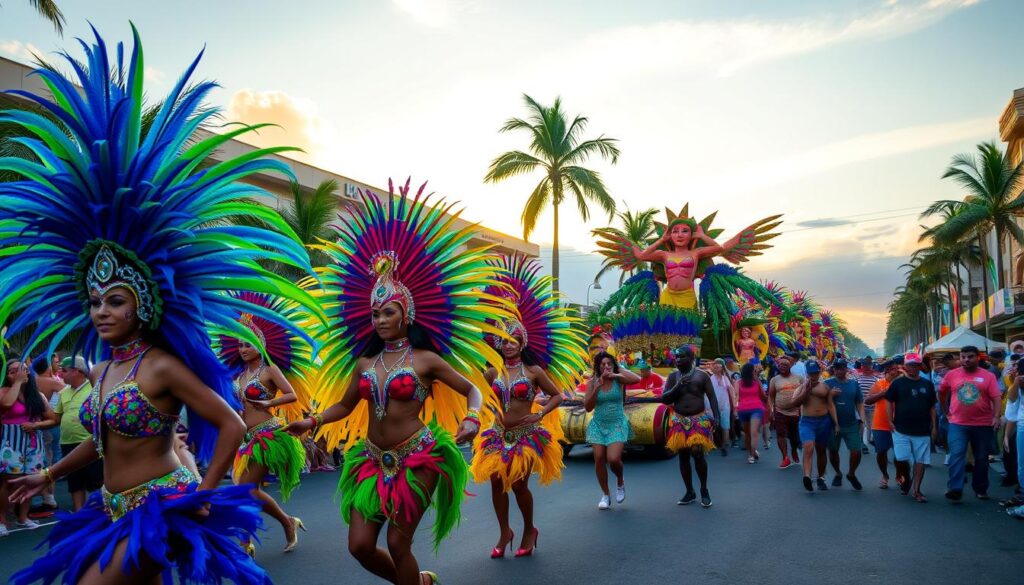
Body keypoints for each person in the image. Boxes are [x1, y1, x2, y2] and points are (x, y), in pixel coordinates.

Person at [3, 27, 308, 583]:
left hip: (164, 506)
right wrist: (47, 474)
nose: (101, 311)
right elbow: (100, 443)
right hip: (113, 511)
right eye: (94, 301)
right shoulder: (100, 370)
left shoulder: (160, 365)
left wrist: (205, 494)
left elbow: (232, 424)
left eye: (115, 301)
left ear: (141, 305)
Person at [284, 181, 499, 585]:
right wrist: (311, 422)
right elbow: (346, 407)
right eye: (375, 314)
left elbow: (472, 389)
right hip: (369, 459)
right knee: (359, 546)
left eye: (388, 312)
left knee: (401, 546)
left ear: (406, 314)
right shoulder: (365, 362)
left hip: (418, 458)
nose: (380, 320)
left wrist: (472, 418)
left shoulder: (426, 360)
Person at [470, 254, 584, 558]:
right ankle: (504, 531)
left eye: (513, 340)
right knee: (496, 483)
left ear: (522, 342)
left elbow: (558, 395)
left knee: (518, 485)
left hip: (526, 434)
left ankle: (529, 529)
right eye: (503, 340)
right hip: (496, 434)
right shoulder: (493, 371)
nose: (508, 344)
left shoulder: (534, 372)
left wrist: (540, 413)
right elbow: (475, 392)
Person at [221, 305, 310, 556]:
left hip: (269, 436)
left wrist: (269, 402)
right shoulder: (238, 377)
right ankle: (287, 521)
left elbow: (291, 394)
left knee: (245, 490)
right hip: (246, 439)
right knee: (250, 489)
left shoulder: (269, 370)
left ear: (259, 344)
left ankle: (244, 544)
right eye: (239, 345)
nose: (243, 350)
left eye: (247, 344)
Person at [1, 360, 58, 535]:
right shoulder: (3, 392)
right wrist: (17, 382)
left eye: (23, 370)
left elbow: (53, 419)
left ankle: (23, 517)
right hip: (11, 442)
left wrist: (37, 426)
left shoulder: (37, 395)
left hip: (34, 442)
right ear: (6, 375)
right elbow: (6, 405)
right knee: (8, 482)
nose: (18, 373)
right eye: (13, 372)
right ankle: (2, 520)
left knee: (29, 479)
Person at [939, 345, 1002, 502]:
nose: (966, 359)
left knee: (981, 458)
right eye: (963, 356)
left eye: (970, 356)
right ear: (959, 358)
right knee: (957, 454)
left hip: (983, 424)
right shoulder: (951, 375)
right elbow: (941, 393)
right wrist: (946, 412)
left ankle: (980, 489)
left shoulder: (988, 376)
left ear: (978, 357)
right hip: (958, 424)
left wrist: (996, 416)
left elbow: (996, 397)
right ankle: (955, 488)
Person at [662, 345, 720, 507]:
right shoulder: (673, 377)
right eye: (677, 357)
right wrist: (678, 385)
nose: (679, 360)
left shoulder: (702, 376)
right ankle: (689, 491)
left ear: (691, 358)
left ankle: (704, 489)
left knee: (697, 452)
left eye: (682, 357)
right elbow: (665, 399)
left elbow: (712, 397)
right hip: (679, 419)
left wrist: (716, 416)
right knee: (683, 455)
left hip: (698, 418)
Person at [585, 351, 642, 509]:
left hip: (616, 423)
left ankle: (620, 481)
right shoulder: (593, 382)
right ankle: (605, 495)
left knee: (614, 459)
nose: (606, 367)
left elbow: (637, 379)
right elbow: (587, 407)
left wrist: (617, 374)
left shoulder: (619, 379)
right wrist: (597, 387)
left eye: (609, 364)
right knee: (599, 458)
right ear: (598, 366)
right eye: (603, 364)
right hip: (598, 424)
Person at [883, 353, 938, 502]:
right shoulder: (898, 383)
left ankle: (917, 490)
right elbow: (888, 401)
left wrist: (934, 425)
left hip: (922, 430)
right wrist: (890, 420)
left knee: (920, 461)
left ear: (920, 366)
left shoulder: (927, 384)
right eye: (910, 365)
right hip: (900, 429)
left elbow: (932, 406)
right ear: (905, 366)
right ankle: (906, 477)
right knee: (901, 458)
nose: (913, 368)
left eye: (916, 365)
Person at [52, 356, 103, 512]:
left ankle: (99, 512)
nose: (61, 374)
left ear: (77, 371)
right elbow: (56, 417)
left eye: (64, 370)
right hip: (67, 442)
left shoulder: (95, 388)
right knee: (75, 482)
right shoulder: (63, 392)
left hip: (89, 442)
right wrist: (37, 423)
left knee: (96, 481)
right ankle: (78, 514)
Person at [793, 360, 838, 491]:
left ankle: (820, 477)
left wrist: (836, 423)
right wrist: (806, 390)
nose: (814, 376)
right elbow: (795, 403)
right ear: (807, 374)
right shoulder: (801, 387)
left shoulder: (824, 387)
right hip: (807, 421)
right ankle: (807, 476)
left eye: (816, 373)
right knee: (808, 447)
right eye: (811, 374)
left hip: (824, 421)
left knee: (821, 450)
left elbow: (830, 405)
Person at [825, 359, 866, 490]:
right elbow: (820, 400)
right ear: (833, 369)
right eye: (836, 368)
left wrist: (863, 419)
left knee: (856, 451)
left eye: (841, 368)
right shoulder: (827, 383)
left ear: (846, 369)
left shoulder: (854, 384)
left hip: (851, 423)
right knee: (833, 451)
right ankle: (837, 473)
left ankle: (851, 473)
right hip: (832, 425)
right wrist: (830, 395)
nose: (839, 370)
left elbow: (859, 402)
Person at [864, 360, 900, 489]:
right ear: (888, 371)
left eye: (898, 368)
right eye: (895, 368)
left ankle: (899, 474)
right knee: (881, 452)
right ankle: (885, 476)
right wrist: (883, 393)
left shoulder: (901, 383)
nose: (898, 370)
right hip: (880, 423)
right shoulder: (879, 384)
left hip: (899, 424)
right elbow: (867, 400)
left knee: (900, 454)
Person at [768, 354, 803, 469]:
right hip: (780, 411)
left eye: (785, 364)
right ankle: (785, 457)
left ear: (790, 366)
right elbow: (771, 396)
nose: (783, 366)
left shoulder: (799, 378)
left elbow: (805, 394)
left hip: (796, 412)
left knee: (793, 436)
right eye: (781, 364)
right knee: (781, 434)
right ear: (778, 366)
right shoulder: (774, 380)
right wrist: (770, 410)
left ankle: (793, 450)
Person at [736, 362, 768, 463]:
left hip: (756, 408)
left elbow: (763, 395)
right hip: (744, 409)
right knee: (748, 433)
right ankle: (751, 452)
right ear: (751, 372)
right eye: (754, 370)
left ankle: (752, 454)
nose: (756, 372)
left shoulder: (755, 381)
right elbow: (736, 396)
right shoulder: (739, 382)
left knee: (753, 432)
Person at [708, 358, 736, 456]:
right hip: (713, 405)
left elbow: (732, 392)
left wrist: (735, 406)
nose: (716, 368)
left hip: (724, 405)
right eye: (715, 366)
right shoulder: (710, 379)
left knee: (725, 425)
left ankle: (725, 445)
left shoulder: (725, 379)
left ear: (722, 368)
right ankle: (712, 444)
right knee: (712, 424)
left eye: (718, 367)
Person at [855, 356, 879, 454]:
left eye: (868, 365)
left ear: (871, 366)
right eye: (864, 365)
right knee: (862, 425)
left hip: (873, 407)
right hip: (861, 406)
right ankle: (863, 444)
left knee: (871, 426)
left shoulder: (876, 379)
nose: (866, 367)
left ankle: (869, 441)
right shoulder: (858, 378)